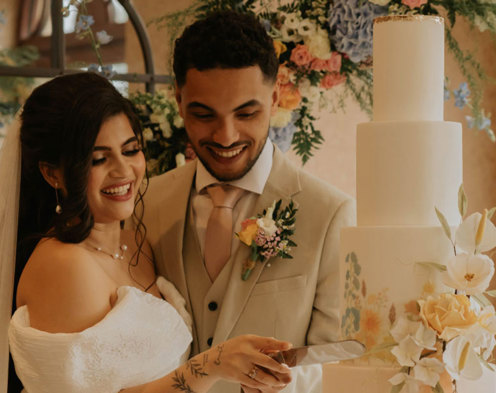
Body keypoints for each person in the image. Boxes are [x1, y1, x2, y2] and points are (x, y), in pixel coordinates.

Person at [1, 72, 292, 393]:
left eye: (130, 150)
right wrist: (213, 364)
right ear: (52, 173)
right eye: (98, 159)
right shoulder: (64, 265)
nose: (123, 171)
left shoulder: (134, 242)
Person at [142, 11, 356, 393]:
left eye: (247, 113)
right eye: (204, 114)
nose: (225, 136)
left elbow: (335, 363)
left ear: (275, 98)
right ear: (178, 99)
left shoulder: (330, 214)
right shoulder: (146, 203)